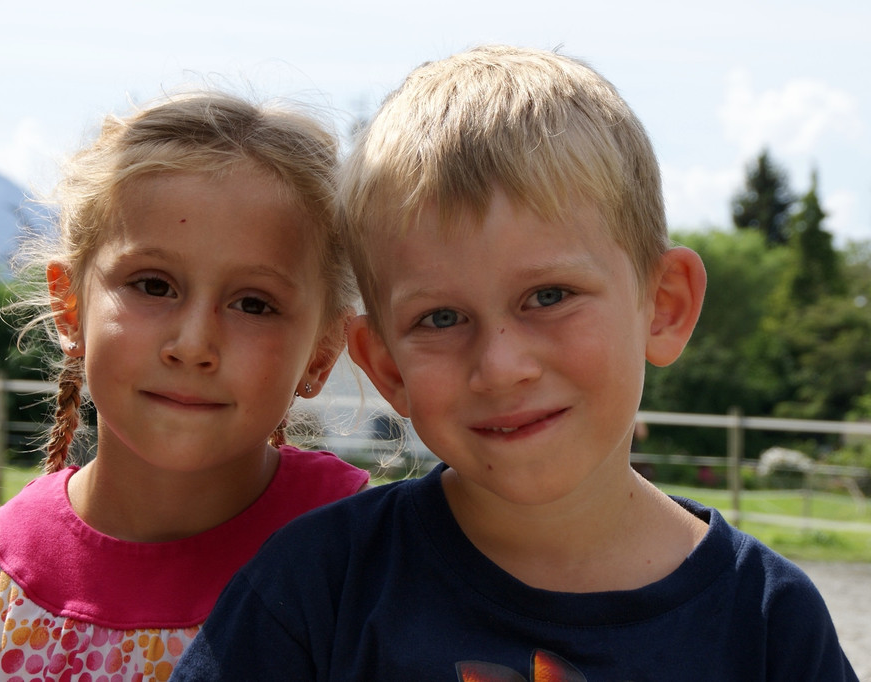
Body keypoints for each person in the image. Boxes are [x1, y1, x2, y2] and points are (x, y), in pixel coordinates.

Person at [171, 46, 858, 680]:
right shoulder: (315, 592)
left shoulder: (770, 625)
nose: (501, 367)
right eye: (441, 318)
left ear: (664, 307)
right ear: (388, 368)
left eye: (549, 297)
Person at [0, 90, 369, 681]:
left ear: (322, 352)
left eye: (254, 303)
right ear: (70, 307)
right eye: (153, 285)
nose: (193, 344)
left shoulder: (371, 566)